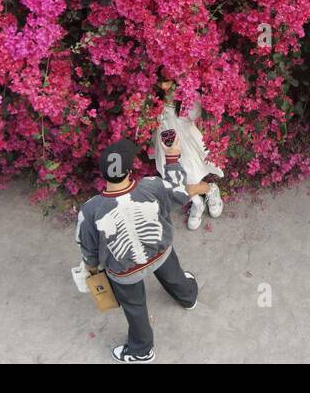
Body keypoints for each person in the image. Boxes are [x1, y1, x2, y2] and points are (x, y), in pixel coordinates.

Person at [75, 136, 209, 363]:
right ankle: (188, 297)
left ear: (103, 174)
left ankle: (141, 350)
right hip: (160, 253)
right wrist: (172, 156)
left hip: (125, 273)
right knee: (175, 275)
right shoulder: (151, 186)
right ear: (129, 171)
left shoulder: (90, 210)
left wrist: (91, 269)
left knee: (135, 309)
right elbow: (178, 192)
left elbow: (88, 248)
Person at [152, 96, 224, 230]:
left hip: (186, 145)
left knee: (188, 182)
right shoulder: (151, 99)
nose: (162, 84)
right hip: (167, 146)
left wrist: (182, 98)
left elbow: (195, 114)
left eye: (166, 80)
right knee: (176, 183)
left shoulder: (185, 95)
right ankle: (197, 201)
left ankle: (210, 190)